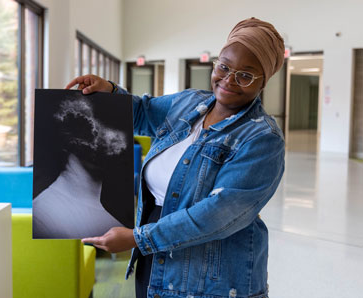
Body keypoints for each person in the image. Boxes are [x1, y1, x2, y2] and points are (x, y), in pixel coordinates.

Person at [67, 17, 285, 298]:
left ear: (263, 81)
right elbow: (142, 113)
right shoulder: (189, 103)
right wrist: (109, 91)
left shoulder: (262, 138)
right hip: (154, 259)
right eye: (224, 67)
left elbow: (217, 215)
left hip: (208, 279)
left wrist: (137, 238)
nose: (229, 79)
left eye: (245, 75)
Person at [33, 96, 128, 239]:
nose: (111, 136)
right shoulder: (45, 215)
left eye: (111, 125)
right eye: (95, 125)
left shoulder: (111, 220)